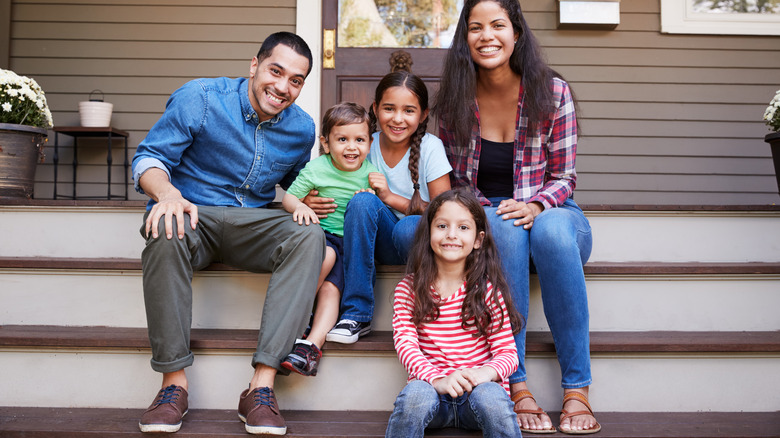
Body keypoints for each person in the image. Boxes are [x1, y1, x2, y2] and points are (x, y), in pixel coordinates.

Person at [131, 32, 323, 435]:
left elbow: (295, 184)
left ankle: (261, 387)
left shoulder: (302, 129)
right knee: (165, 228)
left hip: (250, 224)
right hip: (192, 216)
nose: (283, 87)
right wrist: (166, 194)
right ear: (254, 66)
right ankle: (173, 386)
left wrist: (314, 199)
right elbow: (150, 157)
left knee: (308, 236)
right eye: (276, 71)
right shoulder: (200, 97)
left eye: (296, 80)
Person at [433, 0, 600, 434]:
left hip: (555, 211)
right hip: (494, 217)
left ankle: (576, 388)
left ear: (517, 33)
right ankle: (517, 381)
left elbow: (565, 176)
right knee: (503, 232)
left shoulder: (553, 91)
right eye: (475, 27)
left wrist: (537, 205)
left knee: (551, 234)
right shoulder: (454, 101)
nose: (486, 35)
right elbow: (454, 182)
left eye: (497, 25)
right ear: (464, 39)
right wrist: (481, 210)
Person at [313, 70, 452, 344]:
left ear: (423, 115)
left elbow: (446, 211)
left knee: (409, 227)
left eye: (408, 110)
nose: (397, 118)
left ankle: (424, 311)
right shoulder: (362, 143)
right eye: (389, 108)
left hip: (414, 243)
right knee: (363, 201)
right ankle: (356, 314)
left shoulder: (430, 147)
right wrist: (309, 200)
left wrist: (390, 198)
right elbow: (326, 179)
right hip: (370, 240)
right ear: (376, 109)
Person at [385, 189, 524, 438]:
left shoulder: (487, 291)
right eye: (442, 226)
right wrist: (437, 379)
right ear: (429, 233)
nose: (451, 235)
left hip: (476, 396)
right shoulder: (409, 289)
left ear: (478, 239)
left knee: (492, 395)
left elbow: (508, 354)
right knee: (415, 395)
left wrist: (485, 374)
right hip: (432, 393)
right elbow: (406, 346)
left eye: (463, 228)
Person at [279, 102, 379, 376]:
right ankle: (295, 322)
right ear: (325, 143)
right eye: (342, 139)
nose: (351, 147)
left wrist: (377, 194)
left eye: (359, 140)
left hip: (350, 246)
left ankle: (310, 347)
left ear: (369, 143)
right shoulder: (316, 169)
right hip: (319, 237)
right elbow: (289, 197)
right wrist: (300, 206)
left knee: (331, 290)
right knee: (326, 258)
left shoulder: (370, 173)